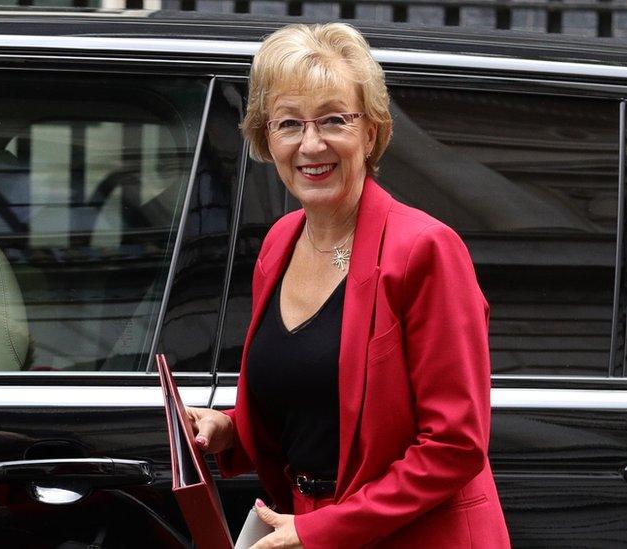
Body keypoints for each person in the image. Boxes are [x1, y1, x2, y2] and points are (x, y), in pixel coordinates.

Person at [185, 22, 511, 549]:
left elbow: (453, 445)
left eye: (334, 119)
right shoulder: (279, 243)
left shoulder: (425, 249)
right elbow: (312, 399)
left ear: (372, 131)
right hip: (305, 521)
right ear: (266, 139)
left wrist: (320, 530)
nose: (311, 144)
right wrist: (228, 430)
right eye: (289, 124)